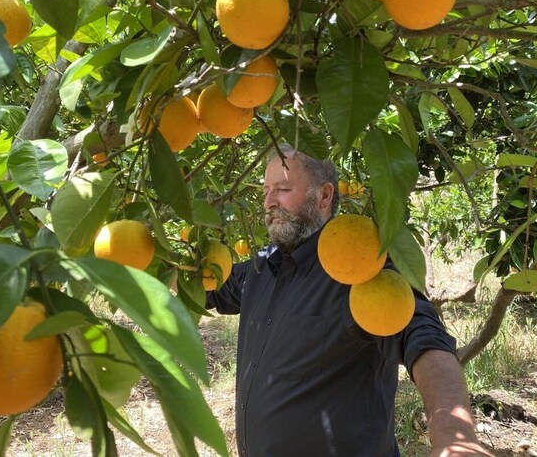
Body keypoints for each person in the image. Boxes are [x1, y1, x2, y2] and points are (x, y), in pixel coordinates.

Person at [207, 145, 494, 456]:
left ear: (325, 196)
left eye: (283, 189)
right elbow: (207, 286)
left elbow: (424, 340)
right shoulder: (264, 267)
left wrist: (454, 437)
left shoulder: (359, 270)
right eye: (266, 190)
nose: (268, 202)